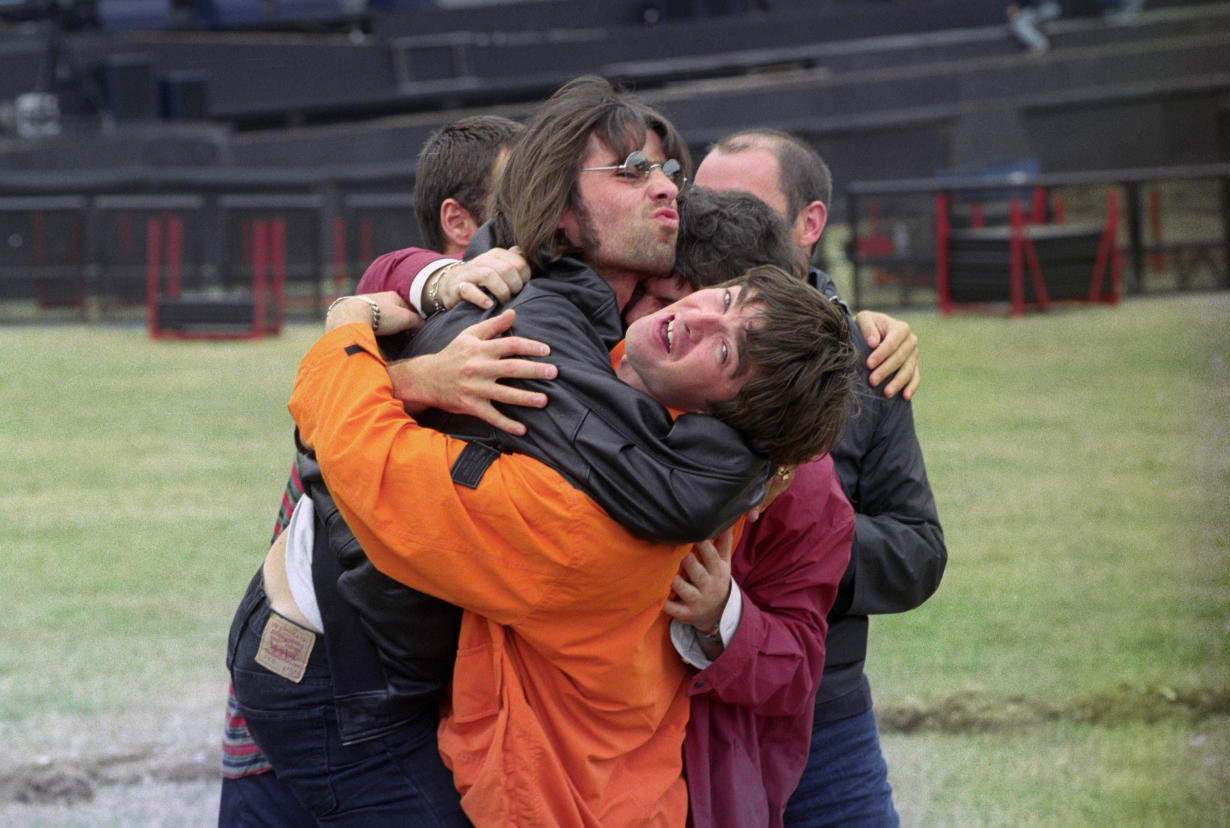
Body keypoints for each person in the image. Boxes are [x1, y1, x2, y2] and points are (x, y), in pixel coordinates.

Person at [225, 75, 817, 826]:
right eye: (631, 171)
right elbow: (360, 437)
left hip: (404, 673)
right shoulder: (521, 318)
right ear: (565, 207)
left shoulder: (647, 387)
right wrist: (383, 341)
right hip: (337, 665)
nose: (663, 188)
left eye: (669, 172)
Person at [239, 264, 856, 826]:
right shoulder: (698, 471)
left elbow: (367, 460)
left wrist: (349, 325)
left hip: (553, 803)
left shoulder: (587, 521)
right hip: (625, 791)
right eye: (723, 296)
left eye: (723, 351)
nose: (690, 316)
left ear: (730, 419)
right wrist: (437, 284)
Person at [218, 114, 529, 827]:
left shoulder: (513, 314)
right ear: (459, 221)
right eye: (526, 192)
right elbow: (389, 276)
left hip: (361, 672)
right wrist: (443, 289)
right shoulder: (404, 302)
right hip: (313, 668)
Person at [693, 128, 947, 827]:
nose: (718, 225)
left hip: (825, 720)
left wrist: (789, 542)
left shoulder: (869, 359)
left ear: (810, 224)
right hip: (680, 719)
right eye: (701, 206)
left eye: (744, 206)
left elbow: (918, 552)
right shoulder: (661, 331)